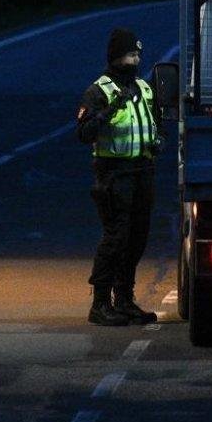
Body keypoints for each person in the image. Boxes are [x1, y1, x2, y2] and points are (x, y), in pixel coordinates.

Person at [75, 27, 162, 326]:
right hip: (114, 174)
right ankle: (100, 303)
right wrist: (106, 112)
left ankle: (124, 299)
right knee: (116, 237)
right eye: (130, 54)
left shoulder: (144, 88)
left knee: (137, 237)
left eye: (138, 53)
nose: (135, 58)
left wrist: (157, 140)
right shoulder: (99, 91)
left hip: (143, 171)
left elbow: (155, 123)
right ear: (115, 56)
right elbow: (84, 133)